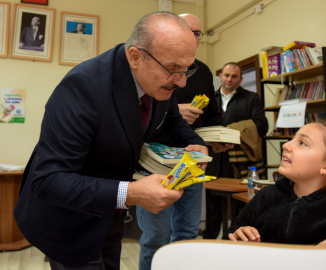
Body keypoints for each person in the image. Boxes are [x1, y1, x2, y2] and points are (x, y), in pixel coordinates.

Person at [14, 11, 208, 269]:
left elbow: (172, 120)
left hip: (109, 215)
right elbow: (48, 180)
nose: (181, 82)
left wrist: (194, 142)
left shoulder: (162, 78)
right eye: (173, 70)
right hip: (69, 222)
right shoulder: (83, 87)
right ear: (136, 57)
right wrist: (131, 193)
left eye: (187, 70)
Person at [136, 13, 233, 270]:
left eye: (197, 33)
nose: (192, 36)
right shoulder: (154, 64)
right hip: (156, 162)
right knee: (156, 238)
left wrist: (219, 136)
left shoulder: (202, 72)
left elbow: (212, 113)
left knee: (188, 233)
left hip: (192, 159)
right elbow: (148, 109)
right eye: (186, 30)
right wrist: (176, 110)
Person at [204, 62, 268, 239]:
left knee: (242, 205)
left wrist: (229, 132)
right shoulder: (209, 99)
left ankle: (236, 243)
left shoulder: (251, 98)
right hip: (213, 160)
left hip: (240, 161)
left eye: (234, 76)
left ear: (241, 78)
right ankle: (208, 243)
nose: (229, 79)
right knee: (212, 206)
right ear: (220, 76)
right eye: (226, 75)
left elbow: (262, 126)